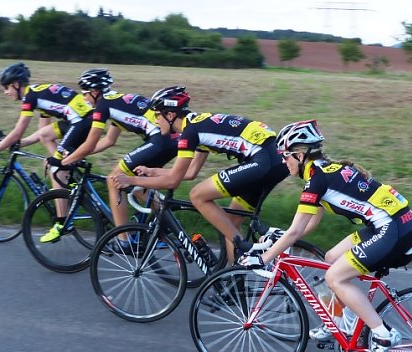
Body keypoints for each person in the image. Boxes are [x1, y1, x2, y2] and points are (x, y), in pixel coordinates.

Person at [240, 119, 412, 352]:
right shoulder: (324, 170)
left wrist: (262, 259)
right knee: (332, 259)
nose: (284, 161)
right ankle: (339, 323)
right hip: (393, 223)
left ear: (300, 154)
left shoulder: (317, 180)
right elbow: (307, 225)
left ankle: (383, 334)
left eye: (286, 156)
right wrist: (277, 238)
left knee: (335, 277)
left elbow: (296, 232)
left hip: (392, 229)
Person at [112, 86, 290, 261]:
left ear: (170, 115)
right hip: (275, 161)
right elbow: (189, 173)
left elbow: (173, 182)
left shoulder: (189, 133)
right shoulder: (197, 125)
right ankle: (234, 279)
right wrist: (152, 171)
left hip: (262, 160)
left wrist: (131, 180)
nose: (155, 120)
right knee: (231, 221)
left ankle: (248, 248)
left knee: (197, 196)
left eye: (157, 115)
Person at [42, 69, 177, 243]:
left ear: (95, 92)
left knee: (114, 179)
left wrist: (62, 162)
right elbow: (109, 141)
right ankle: (168, 221)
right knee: (139, 183)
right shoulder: (114, 100)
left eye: (85, 94)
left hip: (159, 140)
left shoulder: (103, 105)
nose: (84, 99)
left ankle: (123, 240)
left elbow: (90, 143)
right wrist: (75, 156)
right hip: (169, 140)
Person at [0, 62, 94, 205]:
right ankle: (70, 178)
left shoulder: (30, 97)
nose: (6, 92)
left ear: (16, 85)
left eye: (6, 87)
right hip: (82, 120)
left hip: (82, 122)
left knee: (55, 169)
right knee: (47, 139)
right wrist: (19, 143)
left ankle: (62, 223)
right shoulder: (37, 93)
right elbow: (42, 133)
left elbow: (18, 131)